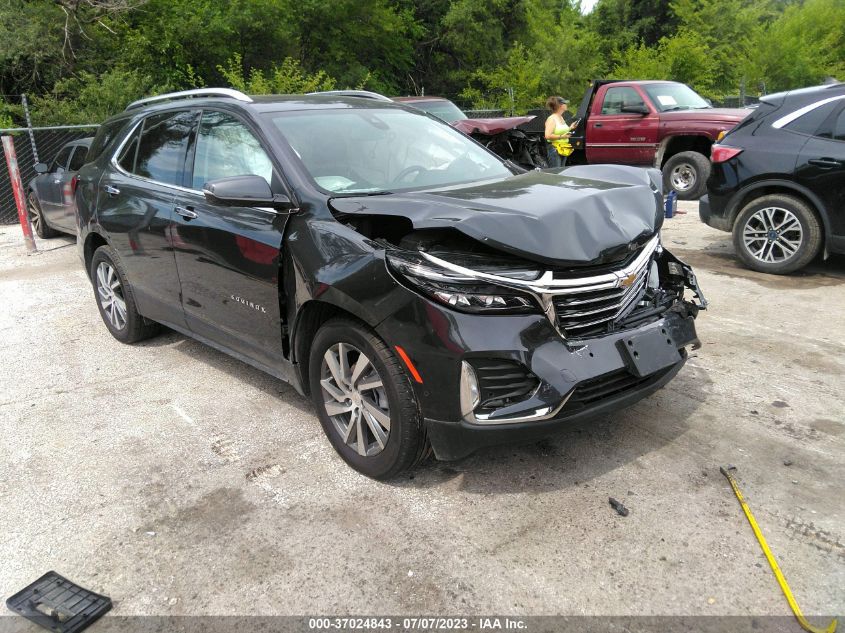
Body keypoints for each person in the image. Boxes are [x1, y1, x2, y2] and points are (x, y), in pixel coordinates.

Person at [544, 96, 576, 168]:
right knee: (556, 173)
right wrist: (562, 136)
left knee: (561, 172)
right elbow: (547, 136)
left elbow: (560, 131)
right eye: (565, 103)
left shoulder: (561, 117)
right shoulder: (552, 119)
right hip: (555, 149)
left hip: (563, 148)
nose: (566, 105)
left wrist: (570, 127)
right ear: (560, 106)